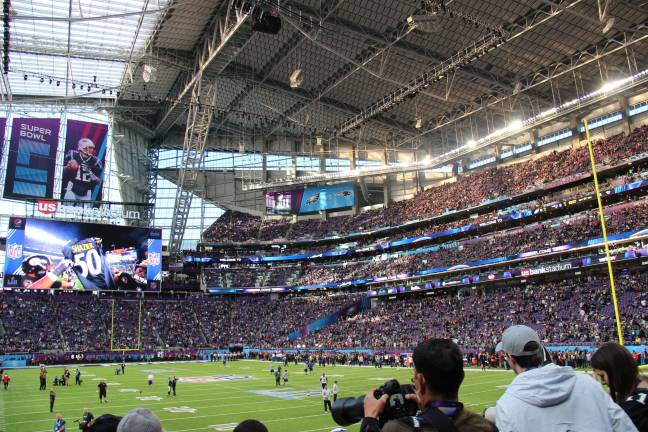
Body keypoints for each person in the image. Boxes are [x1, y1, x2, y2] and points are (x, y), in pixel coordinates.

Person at [494, 325, 637, 432]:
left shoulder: (506, 405)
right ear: (539, 351)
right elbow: (624, 427)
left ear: (511, 359)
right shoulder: (588, 384)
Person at [361, 338, 496, 432]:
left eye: (414, 379)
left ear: (421, 382)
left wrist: (370, 419)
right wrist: (427, 410)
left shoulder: (399, 429)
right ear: (462, 377)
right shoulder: (486, 427)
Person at [592, 342, 648, 431]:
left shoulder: (635, 406)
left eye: (602, 376)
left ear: (616, 371)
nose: (602, 382)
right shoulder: (638, 386)